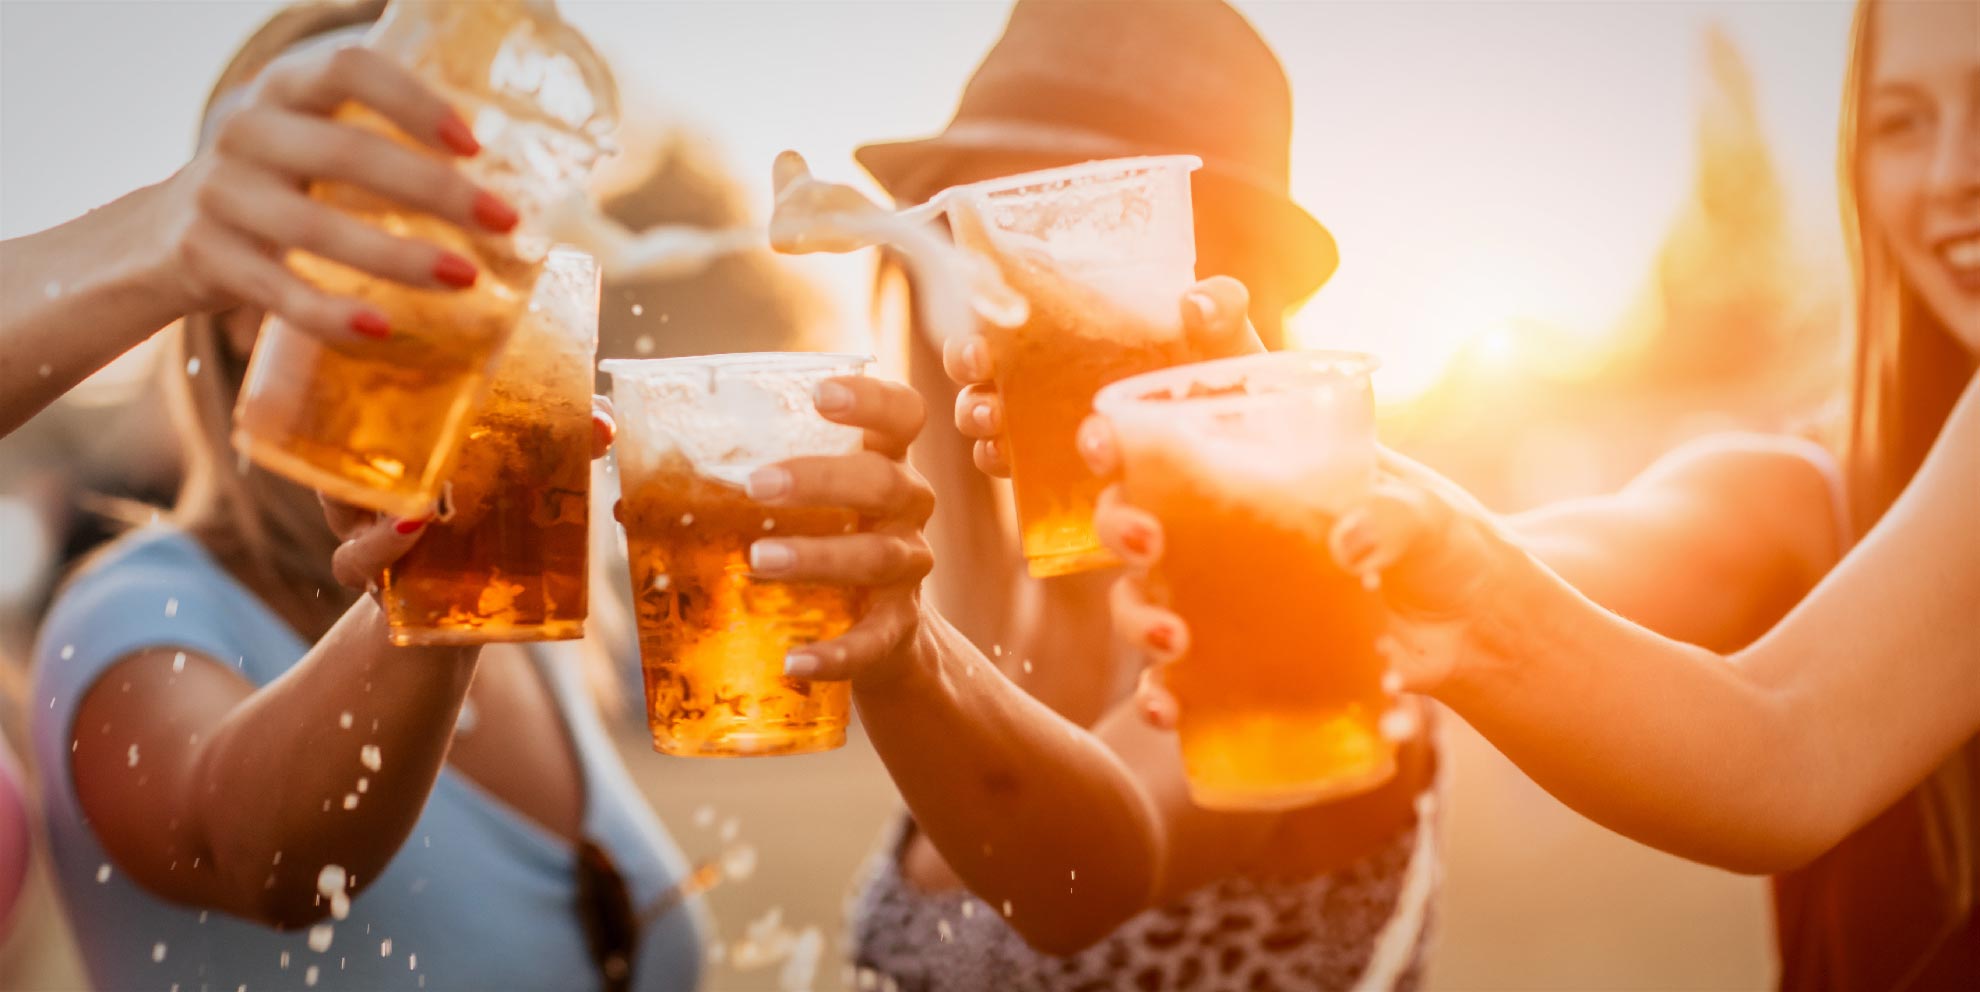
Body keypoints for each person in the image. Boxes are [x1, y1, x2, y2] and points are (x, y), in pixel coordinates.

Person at [1092, 0, 1979, 987]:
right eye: (1900, 122)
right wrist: (1311, 498)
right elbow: (1585, 548)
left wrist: (1471, 598)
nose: (1951, 176)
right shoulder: (1806, 480)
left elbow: (1788, 743)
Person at [24, 4, 722, 988]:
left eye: (474, 229)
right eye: (368, 232)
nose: (430, 285)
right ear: (230, 307)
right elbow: (262, 858)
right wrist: (447, 583)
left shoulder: (537, 637)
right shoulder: (133, 609)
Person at [822, 6, 1437, 988]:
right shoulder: (1022, 618)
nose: (1014, 288)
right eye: (983, 232)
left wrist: (904, 658)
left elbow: (1082, 877)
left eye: (1083, 233)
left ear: (1220, 281)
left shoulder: (1297, 612)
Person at [0, 0, 506, 440]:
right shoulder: (159, 557)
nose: (397, 280)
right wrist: (152, 237)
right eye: (336, 223)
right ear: (232, 304)